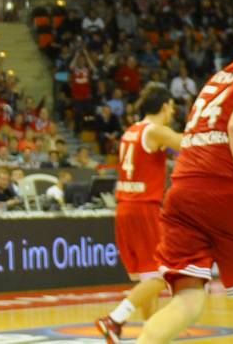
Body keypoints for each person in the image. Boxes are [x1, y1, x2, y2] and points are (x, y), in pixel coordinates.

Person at [137, 20, 233, 344]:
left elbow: (215, 142)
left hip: (182, 191)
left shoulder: (219, 79)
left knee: (189, 299)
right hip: (221, 192)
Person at [96, 82, 183, 343]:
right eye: (172, 108)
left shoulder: (130, 131)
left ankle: (150, 336)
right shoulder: (156, 131)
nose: (172, 113)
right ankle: (115, 318)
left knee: (148, 278)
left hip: (124, 208)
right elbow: (189, 144)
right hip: (144, 208)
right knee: (164, 275)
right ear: (165, 106)